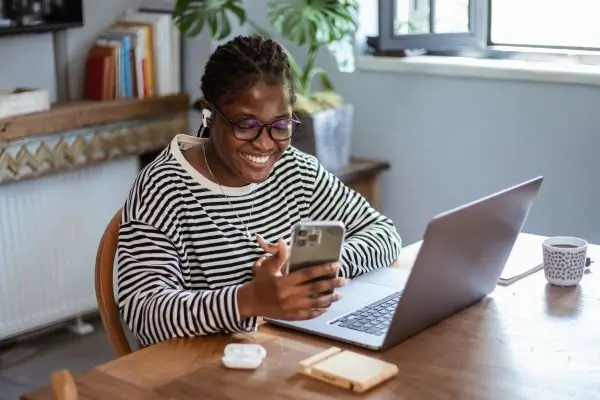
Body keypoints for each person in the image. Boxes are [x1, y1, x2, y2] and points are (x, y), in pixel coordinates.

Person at [116, 35, 402, 347]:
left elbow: (383, 233)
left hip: (275, 353)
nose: (265, 144)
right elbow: (143, 313)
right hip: (199, 370)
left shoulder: (293, 169)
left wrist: (314, 269)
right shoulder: (163, 188)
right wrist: (249, 299)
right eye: (246, 125)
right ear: (209, 115)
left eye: (280, 126)